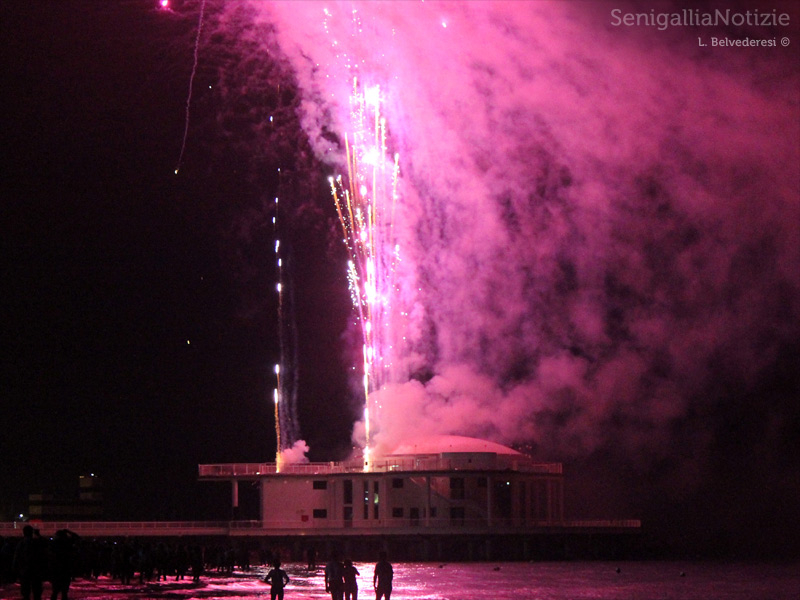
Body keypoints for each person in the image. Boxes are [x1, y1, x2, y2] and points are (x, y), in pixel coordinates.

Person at [13, 525, 47, 600]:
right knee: (37, 591)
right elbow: (45, 545)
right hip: (36, 570)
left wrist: (15, 569)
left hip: (25, 570)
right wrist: (39, 535)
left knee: (25, 591)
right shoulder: (36, 542)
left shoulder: (21, 543)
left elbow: (17, 557)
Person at [49, 529, 80, 600]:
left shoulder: (54, 543)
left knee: (55, 591)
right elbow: (77, 537)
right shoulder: (68, 543)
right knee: (64, 591)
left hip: (56, 568)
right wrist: (68, 531)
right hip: (66, 568)